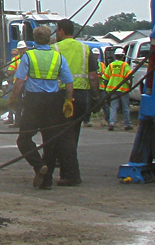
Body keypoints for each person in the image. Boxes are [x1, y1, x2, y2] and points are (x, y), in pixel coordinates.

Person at [9, 26, 75, 189]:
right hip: (53, 101)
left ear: (35, 39)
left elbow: (19, 81)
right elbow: (68, 82)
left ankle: (38, 166)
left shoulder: (29, 56)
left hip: (34, 101)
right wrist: (68, 100)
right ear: (49, 39)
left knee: (24, 139)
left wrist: (13, 98)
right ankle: (46, 182)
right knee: (50, 141)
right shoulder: (58, 57)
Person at [53, 19, 98, 186]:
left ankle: (70, 174)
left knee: (63, 136)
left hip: (62, 96)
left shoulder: (55, 49)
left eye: (56, 30)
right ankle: (66, 170)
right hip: (81, 97)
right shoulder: (85, 49)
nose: (56, 34)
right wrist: (95, 97)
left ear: (62, 31)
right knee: (73, 135)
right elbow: (93, 77)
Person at [103, 48, 133, 131]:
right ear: (123, 56)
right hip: (123, 89)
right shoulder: (125, 65)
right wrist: (130, 85)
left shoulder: (111, 65)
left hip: (113, 89)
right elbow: (129, 76)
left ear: (115, 56)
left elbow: (105, 77)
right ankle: (127, 124)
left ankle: (111, 123)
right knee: (125, 107)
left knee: (114, 107)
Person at [3, 42, 26, 125]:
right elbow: (9, 71)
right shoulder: (15, 60)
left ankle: (27, 121)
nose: (22, 50)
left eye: (23, 48)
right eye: (21, 49)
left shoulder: (29, 57)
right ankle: (17, 121)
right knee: (17, 102)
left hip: (27, 83)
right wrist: (17, 71)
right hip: (18, 83)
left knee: (28, 103)